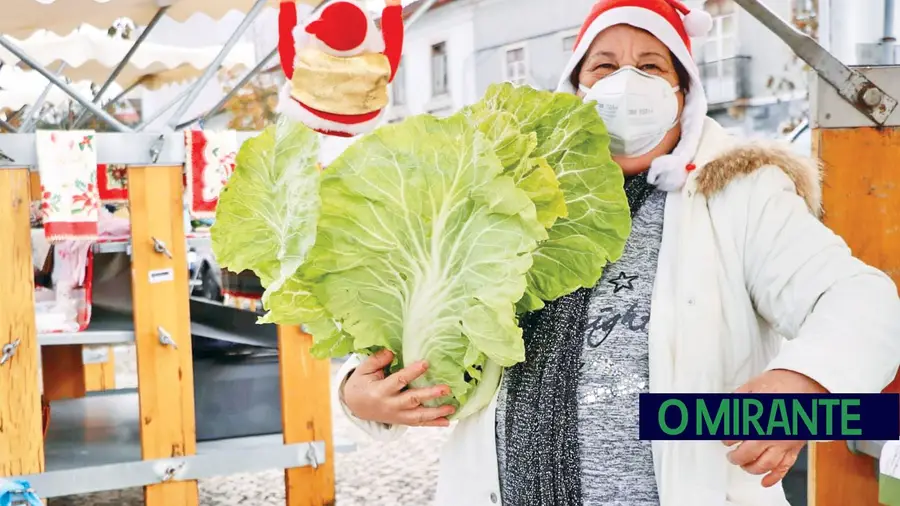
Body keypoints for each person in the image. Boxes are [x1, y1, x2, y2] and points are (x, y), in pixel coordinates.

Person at [335, 0, 900, 504]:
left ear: (684, 95)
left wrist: (805, 383)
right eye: (603, 66)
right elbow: (402, 327)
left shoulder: (741, 192)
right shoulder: (503, 199)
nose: (626, 80)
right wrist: (359, 395)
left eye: (651, 66)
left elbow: (861, 298)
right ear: (577, 89)